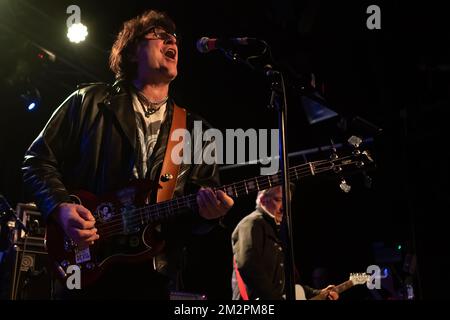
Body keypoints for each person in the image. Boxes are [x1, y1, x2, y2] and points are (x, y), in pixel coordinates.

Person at [22, 9, 234, 299]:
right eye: (158, 35)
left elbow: (194, 214)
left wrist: (210, 215)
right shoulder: (89, 102)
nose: (170, 40)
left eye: (173, 37)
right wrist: (61, 207)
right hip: (86, 268)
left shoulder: (199, 131)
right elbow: (37, 161)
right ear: (133, 52)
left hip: (155, 276)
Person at [231, 186, 338, 300]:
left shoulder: (277, 229)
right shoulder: (251, 223)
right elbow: (249, 267)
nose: (284, 207)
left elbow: (290, 283)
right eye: (278, 200)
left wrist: (318, 293)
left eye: (287, 202)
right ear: (262, 200)